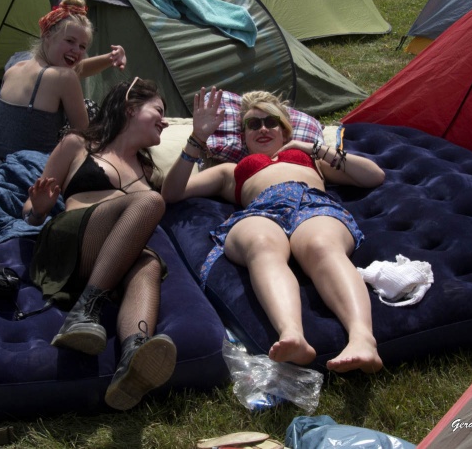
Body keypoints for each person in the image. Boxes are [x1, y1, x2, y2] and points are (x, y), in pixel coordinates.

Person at [161, 88, 385, 374]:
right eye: (253, 124)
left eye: (272, 122)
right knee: (261, 244)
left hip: (311, 204)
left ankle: (363, 339)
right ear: (244, 135)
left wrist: (314, 148)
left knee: (321, 245)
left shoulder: (311, 160)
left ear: (285, 131)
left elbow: (374, 176)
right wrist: (198, 138)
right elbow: (171, 192)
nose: (263, 128)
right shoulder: (231, 170)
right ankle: (292, 334)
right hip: (259, 212)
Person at [21, 77, 176, 410]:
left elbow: (181, 188)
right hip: (73, 240)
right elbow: (30, 212)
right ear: (131, 108)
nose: (165, 121)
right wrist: (40, 209)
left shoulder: (147, 168)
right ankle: (83, 311)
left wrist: (200, 138)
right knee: (150, 201)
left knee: (148, 262)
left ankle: (134, 359)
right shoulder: (78, 144)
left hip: (111, 262)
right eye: (159, 111)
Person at [0, 0, 127, 171]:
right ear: (47, 35)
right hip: (31, 174)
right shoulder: (64, 79)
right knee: (93, 111)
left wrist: (110, 58)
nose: (76, 51)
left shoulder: (15, 66)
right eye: (70, 41)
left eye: (82, 47)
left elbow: (76, 69)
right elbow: (84, 137)